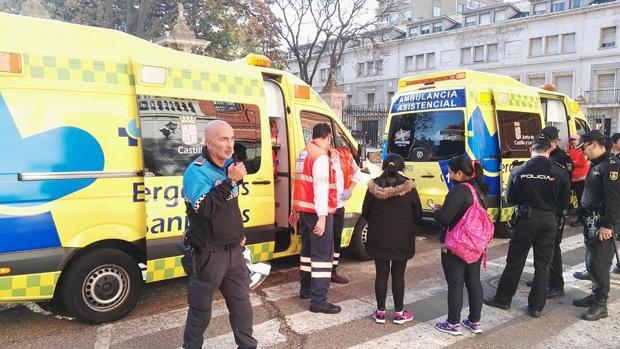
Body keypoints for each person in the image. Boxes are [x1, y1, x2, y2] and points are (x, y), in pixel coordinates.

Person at [181, 120, 257, 349]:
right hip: (208, 254)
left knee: (242, 307)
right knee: (200, 312)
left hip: (234, 252)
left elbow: (230, 208)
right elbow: (204, 209)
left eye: (232, 138)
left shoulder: (228, 166)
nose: (230, 145)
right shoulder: (196, 171)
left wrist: (239, 234)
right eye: (223, 139)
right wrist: (230, 180)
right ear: (208, 143)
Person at [484, 133, 571, 318]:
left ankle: (503, 299)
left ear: (531, 149)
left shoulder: (519, 170)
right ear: (549, 149)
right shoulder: (560, 171)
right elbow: (564, 203)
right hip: (549, 221)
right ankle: (536, 307)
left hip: (525, 220)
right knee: (543, 265)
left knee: (515, 262)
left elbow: (510, 199)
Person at [361, 153, 422, 324]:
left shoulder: (373, 188)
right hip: (402, 240)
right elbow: (418, 216)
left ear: (383, 168)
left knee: (381, 274)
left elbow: (366, 213)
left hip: (378, 238)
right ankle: (399, 313)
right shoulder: (410, 189)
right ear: (402, 169)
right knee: (398, 275)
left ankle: (380, 312)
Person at [433, 156, 488, 336]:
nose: (448, 175)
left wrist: (437, 211)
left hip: (457, 246)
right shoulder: (478, 190)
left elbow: (444, 219)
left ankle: (453, 323)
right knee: (473, 282)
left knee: (455, 284)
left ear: (459, 173)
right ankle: (474, 321)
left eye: (449, 172)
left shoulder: (459, 191)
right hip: (476, 244)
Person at [291, 123, 341, 314]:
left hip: (304, 212)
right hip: (317, 212)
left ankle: (306, 290)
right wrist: (322, 217)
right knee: (322, 256)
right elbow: (320, 189)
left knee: (307, 252)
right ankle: (319, 300)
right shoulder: (319, 157)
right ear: (328, 137)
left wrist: (295, 210)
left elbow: (298, 185)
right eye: (330, 141)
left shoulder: (304, 153)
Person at [572, 130, 620, 321]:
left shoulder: (611, 166)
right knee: (591, 260)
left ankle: (600, 304)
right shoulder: (598, 163)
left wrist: (608, 225)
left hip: (602, 223)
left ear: (594, 144)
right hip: (592, 220)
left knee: (599, 263)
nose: (583, 152)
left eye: (584, 148)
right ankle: (594, 295)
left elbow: (614, 199)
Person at [538, 126, 574, 298]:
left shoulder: (562, 159)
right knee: (541, 248)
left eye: (548, 141)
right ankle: (543, 279)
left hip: (554, 211)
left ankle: (556, 284)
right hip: (542, 209)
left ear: (555, 142)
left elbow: (564, 188)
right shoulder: (543, 155)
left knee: (553, 248)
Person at [330, 145, 363, 284]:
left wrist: (349, 189)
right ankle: (321, 274)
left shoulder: (344, 155)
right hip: (324, 207)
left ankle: (333, 271)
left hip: (338, 206)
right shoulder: (319, 156)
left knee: (337, 239)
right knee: (324, 241)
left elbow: (357, 173)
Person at [568, 135, 590, 227]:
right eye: (571, 139)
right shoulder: (570, 150)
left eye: (575, 139)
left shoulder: (584, 151)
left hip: (581, 180)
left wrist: (573, 163)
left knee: (582, 200)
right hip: (572, 179)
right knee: (574, 199)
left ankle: (581, 219)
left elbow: (583, 163)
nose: (572, 141)